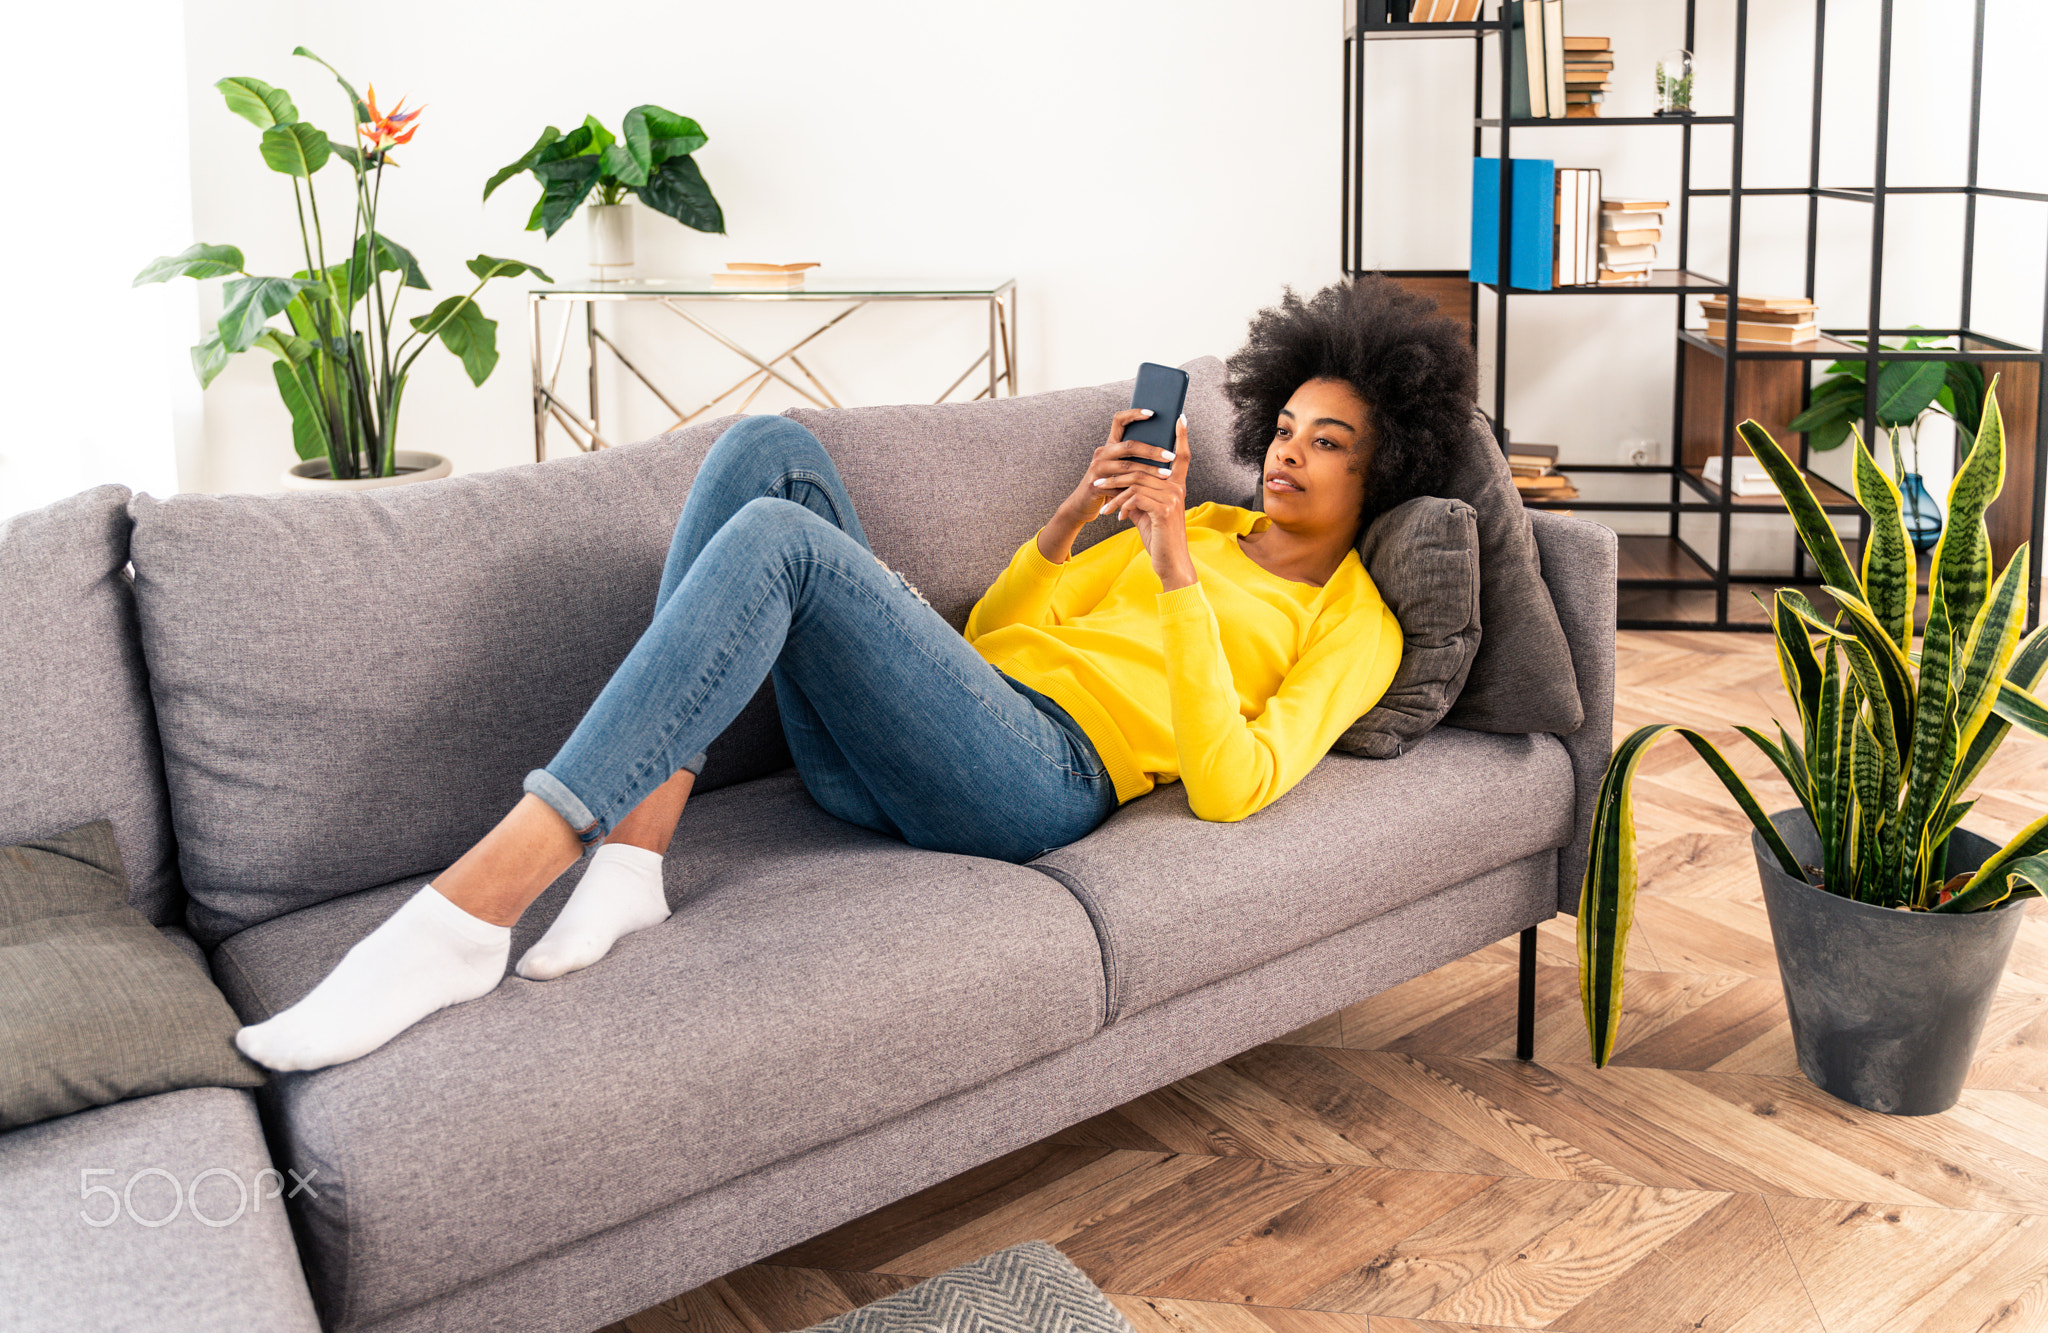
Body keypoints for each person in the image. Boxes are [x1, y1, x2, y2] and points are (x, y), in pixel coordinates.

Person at [233, 275, 1477, 1072]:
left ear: (1383, 472)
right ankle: (630, 861)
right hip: (936, 735)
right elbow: (987, 641)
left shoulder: (1349, 616)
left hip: (1035, 785)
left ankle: (475, 909)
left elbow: (1232, 783)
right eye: (1288, 432)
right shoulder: (1198, 523)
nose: (1289, 459)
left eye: (1332, 443)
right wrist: (1069, 520)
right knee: (770, 449)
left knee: (782, 545)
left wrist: (1169, 576)